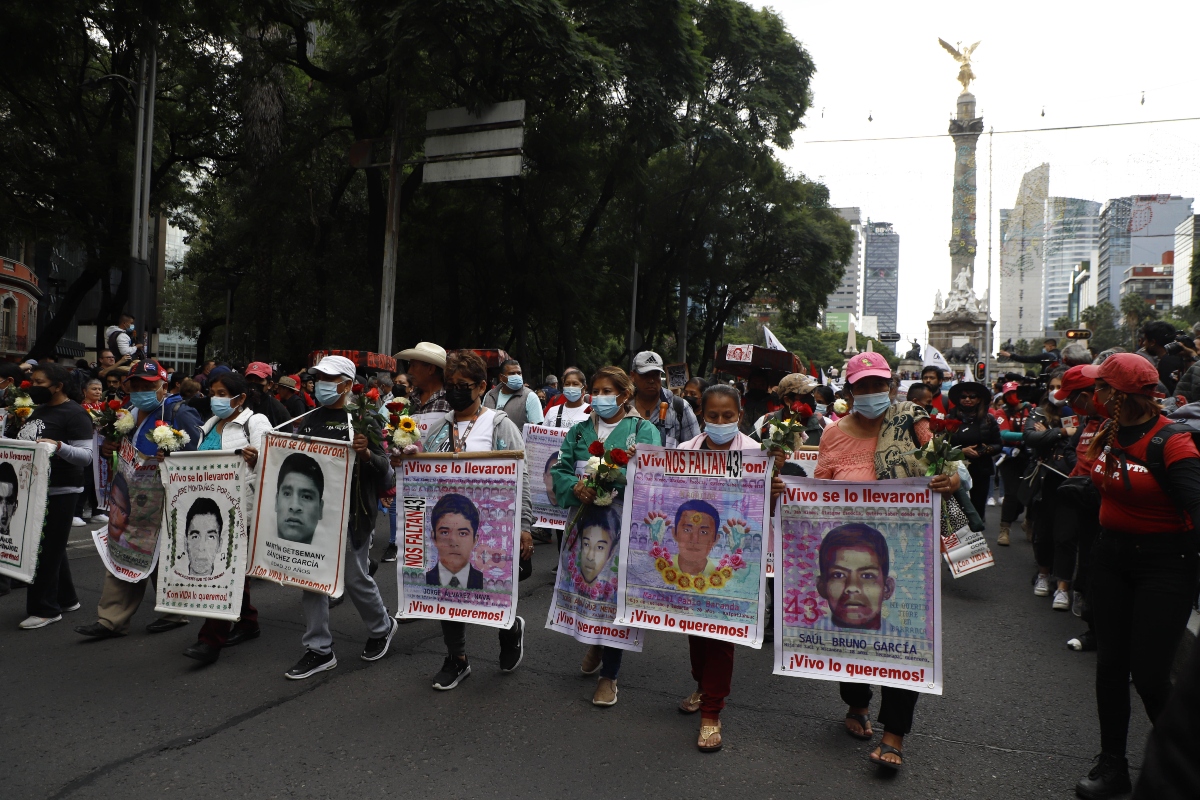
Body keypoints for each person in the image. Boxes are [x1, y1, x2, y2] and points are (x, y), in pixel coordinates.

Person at [814, 351, 961, 771]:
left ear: (890, 385)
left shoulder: (911, 423)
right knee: (853, 637)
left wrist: (951, 479)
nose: (873, 392)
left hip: (907, 556)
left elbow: (950, 469)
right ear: (850, 390)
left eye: (879, 384)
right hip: (851, 553)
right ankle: (856, 703)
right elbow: (818, 492)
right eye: (864, 386)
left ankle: (894, 734)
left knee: (905, 643)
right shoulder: (832, 435)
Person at [1073, 353, 1200, 799]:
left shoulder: (1173, 442)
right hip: (1111, 559)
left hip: (1165, 566)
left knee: (1148, 676)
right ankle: (1113, 767)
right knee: (1110, 667)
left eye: (1099, 387)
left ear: (1118, 395)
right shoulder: (1109, 434)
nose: (1093, 395)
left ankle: (1186, 770)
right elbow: (1114, 486)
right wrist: (1084, 493)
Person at [410, 350, 534, 691]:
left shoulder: (499, 425)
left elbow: (520, 475)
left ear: (482, 386)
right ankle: (457, 659)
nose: (454, 391)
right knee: (447, 590)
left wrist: (524, 527)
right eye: (450, 384)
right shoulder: (438, 428)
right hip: (447, 525)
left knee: (493, 588)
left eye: (462, 385)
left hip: (493, 526)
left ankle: (509, 630)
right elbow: (421, 473)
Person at [675, 383, 783, 751]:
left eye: (728, 416)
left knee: (721, 636)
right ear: (702, 415)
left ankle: (711, 713)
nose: (720, 422)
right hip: (694, 556)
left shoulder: (757, 454)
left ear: (741, 415)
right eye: (713, 416)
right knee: (695, 630)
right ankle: (702, 685)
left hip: (735, 562)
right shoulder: (684, 452)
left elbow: (767, 513)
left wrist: (773, 491)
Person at [551, 365, 661, 706]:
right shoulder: (580, 432)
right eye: (594, 391)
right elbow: (560, 469)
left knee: (615, 598)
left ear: (624, 396)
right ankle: (596, 643)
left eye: (605, 391)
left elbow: (652, 477)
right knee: (590, 588)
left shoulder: (643, 431)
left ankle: (609, 675)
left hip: (624, 526)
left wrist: (612, 478)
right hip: (584, 524)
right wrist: (576, 486)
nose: (597, 397)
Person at [283, 355, 397, 681]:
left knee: (355, 577)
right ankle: (319, 649)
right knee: (310, 579)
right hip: (313, 517)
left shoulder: (363, 420)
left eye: (329, 379)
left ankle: (382, 626)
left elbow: (387, 476)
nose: (321, 384)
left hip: (353, 516)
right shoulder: (307, 418)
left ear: (347, 385)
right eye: (318, 378)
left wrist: (365, 453)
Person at [74, 359, 203, 640]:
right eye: (135, 385)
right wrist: (111, 446)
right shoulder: (130, 411)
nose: (141, 390)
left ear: (163, 386)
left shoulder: (180, 412)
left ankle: (173, 611)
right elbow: (123, 447)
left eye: (148, 385)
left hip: (165, 500)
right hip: (130, 498)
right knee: (124, 550)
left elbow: (199, 454)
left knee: (161, 555)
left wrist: (173, 458)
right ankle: (111, 619)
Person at [180, 370, 271, 664]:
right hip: (210, 507)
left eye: (222, 394)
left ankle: (210, 639)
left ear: (240, 398)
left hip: (239, 510)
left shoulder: (255, 423)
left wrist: (256, 459)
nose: (216, 399)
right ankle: (247, 622)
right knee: (232, 569)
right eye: (213, 393)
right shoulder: (210, 423)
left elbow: (271, 463)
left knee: (223, 571)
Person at [15, 364, 94, 630]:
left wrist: (58, 447)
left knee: (43, 549)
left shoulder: (75, 414)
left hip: (61, 490)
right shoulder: (41, 409)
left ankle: (45, 609)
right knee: (51, 546)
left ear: (58, 386)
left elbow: (86, 457)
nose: (32, 386)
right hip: (35, 488)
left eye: (39, 382)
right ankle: (66, 598)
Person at [1050, 365, 1102, 647]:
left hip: (1105, 507)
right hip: (1082, 502)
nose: (1069, 405)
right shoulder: (1087, 423)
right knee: (1083, 558)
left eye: (1072, 398)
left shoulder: (1114, 425)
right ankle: (1093, 630)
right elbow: (1073, 452)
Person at [1023, 369, 1076, 605]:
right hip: (1044, 480)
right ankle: (1043, 575)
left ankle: (1063, 585)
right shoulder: (1037, 412)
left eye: (1061, 387)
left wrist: (1051, 435)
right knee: (1042, 533)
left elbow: (1075, 440)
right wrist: (1062, 432)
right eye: (1053, 387)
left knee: (1065, 535)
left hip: (1069, 480)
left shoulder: (1075, 412)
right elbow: (1031, 438)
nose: (1057, 392)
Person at [815, 524, 899, 634]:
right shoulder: (805, 637)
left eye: (867, 576)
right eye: (838, 575)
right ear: (822, 587)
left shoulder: (909, 645)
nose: (852, 587)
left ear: (887, 588)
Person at [946, 381, 1001, 520]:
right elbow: (941, 446)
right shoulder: (949, 419)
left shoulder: (989, 420)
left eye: (972, 396)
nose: (967, 399)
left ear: (979, 399)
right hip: (955, 470)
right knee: (955, 510)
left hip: (980, 471)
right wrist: (962, 451)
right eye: (963, 396)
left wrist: (984, 451)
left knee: (976, 510)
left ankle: (975, 538)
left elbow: (998, 445)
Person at [990, 381, 1031, 546]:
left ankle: (1030, 524)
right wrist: (1029, 436)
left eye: (1013, 393)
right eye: (1007, 394)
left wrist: (1029, 436)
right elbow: (1005, 434)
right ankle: (1004, 529)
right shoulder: (1002, 412)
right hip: (1010, 457)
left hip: (1030, 456)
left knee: (1031, 493)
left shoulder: (1032, 408)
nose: (1010, 397)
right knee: (1011, 494)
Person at [630, 350, 698, 447]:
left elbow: (695, 451)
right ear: (633, 376)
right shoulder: (624, 406)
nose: (651, 380)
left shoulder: (680, 407)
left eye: (656, 374)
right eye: (645, 375)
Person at [426, 494, 485, 588]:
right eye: (445, 532)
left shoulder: (487, 583)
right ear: (434, 537)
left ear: (475, 540)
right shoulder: (422, 579)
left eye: (462, 533)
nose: (453, 542)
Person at [483, 358, 544, 427]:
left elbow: (537, 429)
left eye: (519, 373)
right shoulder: (489, 395)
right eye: (512, 373)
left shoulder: (530, 396)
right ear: (501, 377)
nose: (517, 376)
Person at [395, 342, 450, 416]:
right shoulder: (411, 399)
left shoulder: (450, 400)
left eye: (414, 366)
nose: (409, 371)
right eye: (410, 365)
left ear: (431, 369)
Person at [245, 361, 291, 427]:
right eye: (249, 379)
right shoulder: (237, 404)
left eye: (259, 380)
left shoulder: (278, 410)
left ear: (269, 384)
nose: (253, 383)